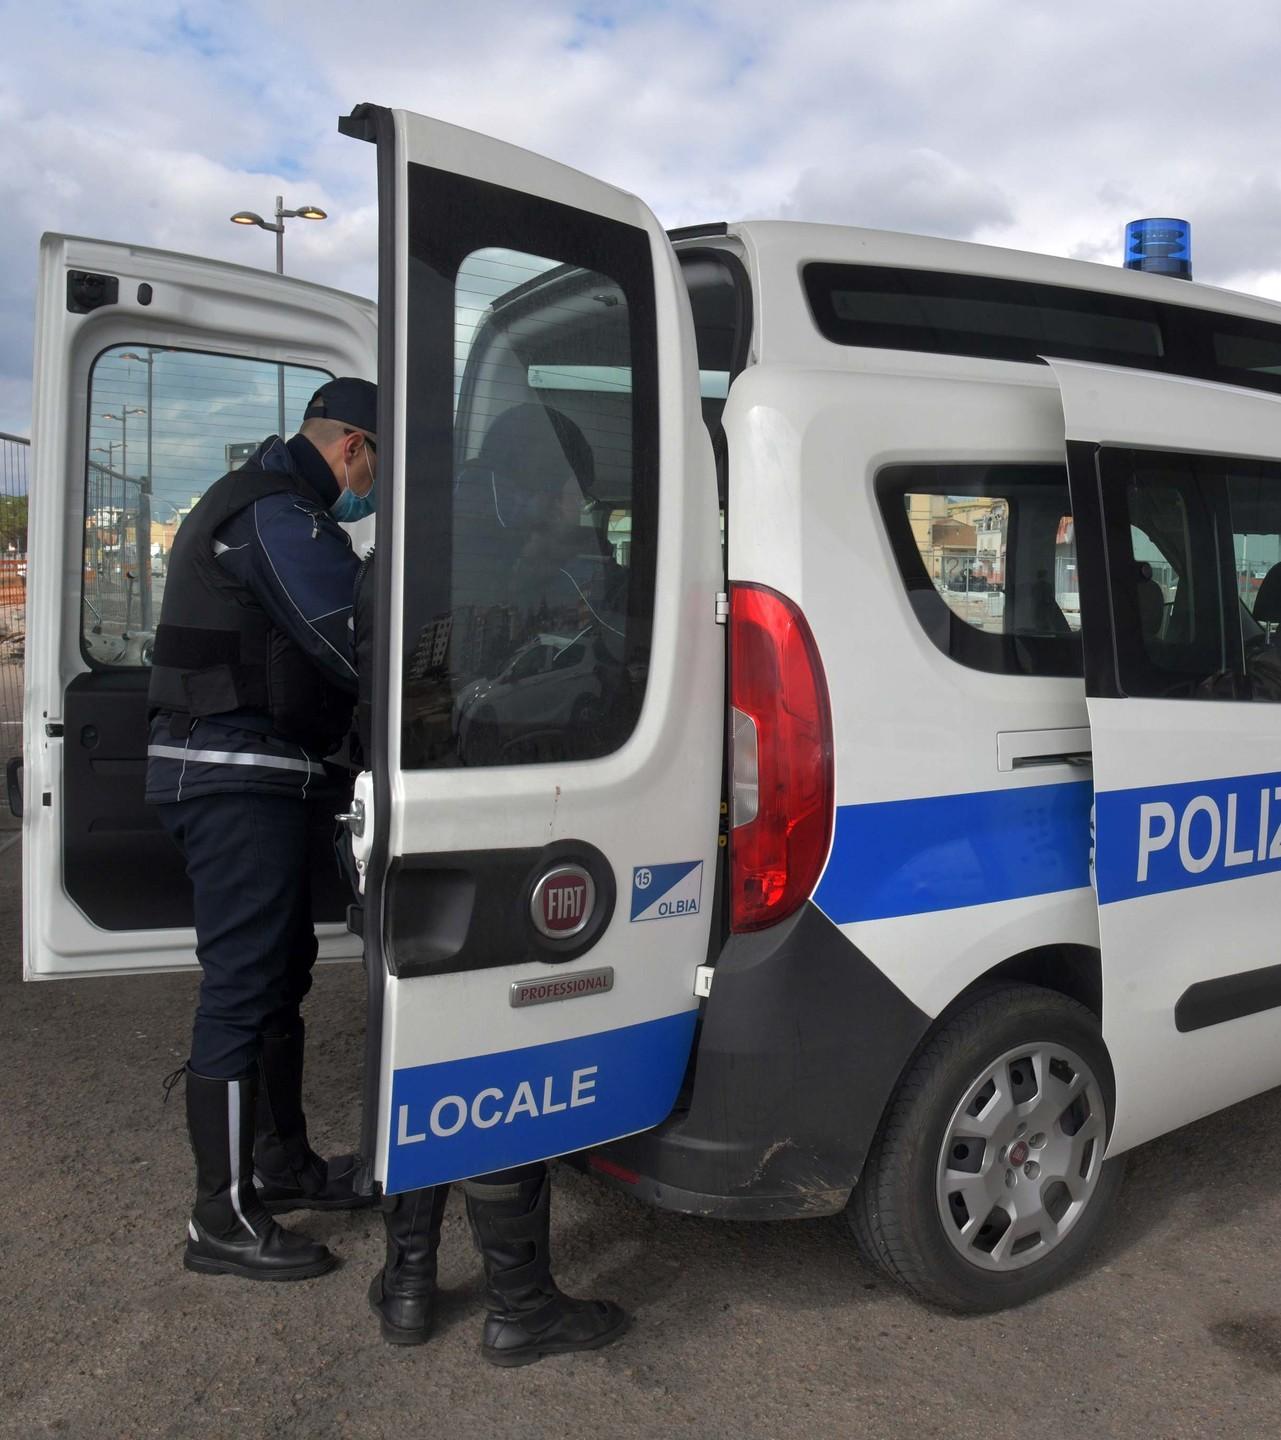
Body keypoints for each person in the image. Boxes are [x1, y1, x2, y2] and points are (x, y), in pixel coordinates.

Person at [352, 403, 630, 1364]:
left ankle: (408, 1284)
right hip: (492, 828)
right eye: (569, 495)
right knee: (502, 1073)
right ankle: (520, 1304)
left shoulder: (408, 552)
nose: (577, 513)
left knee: (417, 1057)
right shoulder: (513, 569)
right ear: (528, 488)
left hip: (400, 831)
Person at [146, 378, 379, 1281]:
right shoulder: (277, 515)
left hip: (257, 775)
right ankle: (221, 1218)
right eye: (378, 467)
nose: (373, 489)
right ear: (353, 446)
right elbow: (351, 638)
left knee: (279, 978)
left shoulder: (270, 503)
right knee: (244, 989)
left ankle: (282, 1167)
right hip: (232, 777)